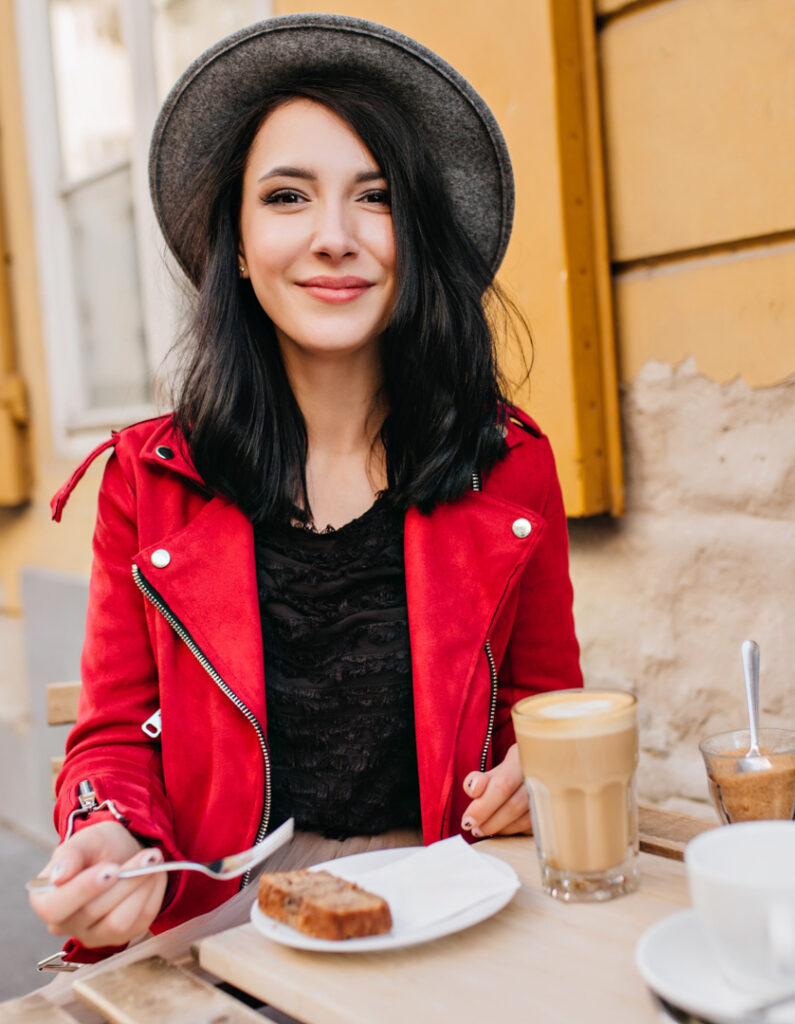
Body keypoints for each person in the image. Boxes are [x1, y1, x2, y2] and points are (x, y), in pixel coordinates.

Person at [30, 13, 581, 965]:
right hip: (225, 934)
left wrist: (543, 770)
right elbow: (114, 739)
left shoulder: (508, 463)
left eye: (375, 198)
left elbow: (548, 708)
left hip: (456, 916)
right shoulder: (146, 481)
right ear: (236, 247)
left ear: (417, 240)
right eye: (287, 197)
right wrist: (111, 831)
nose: (334, 238)